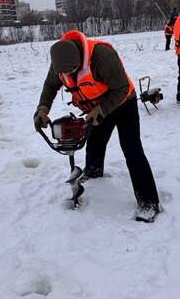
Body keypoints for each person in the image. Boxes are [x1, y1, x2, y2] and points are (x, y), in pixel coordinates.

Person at [34, 30, 161, 222]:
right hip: (96, 107)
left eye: (72, 71)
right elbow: (50, 85)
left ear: (79, 59)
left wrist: (100, 110)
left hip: (123, 103)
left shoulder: (102, 56)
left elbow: (122, 88)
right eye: (65, 73)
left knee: (132, 149)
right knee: (95, 143)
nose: (69, 75)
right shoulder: (60, 61)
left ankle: (149, 203)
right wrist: (42, 109)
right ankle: (93, 173)